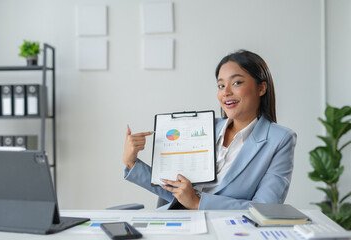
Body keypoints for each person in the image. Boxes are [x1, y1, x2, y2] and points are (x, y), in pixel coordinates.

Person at [122, 50, 297, 210]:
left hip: (228, 229)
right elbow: (176, 191)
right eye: (221, 85)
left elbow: (267, 208)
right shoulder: (204, 127)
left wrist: (197, 203)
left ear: (261, 88)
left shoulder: (280, 139)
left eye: (237, 82)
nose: (226, 92)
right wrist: (132, 163)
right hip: (178, 221)